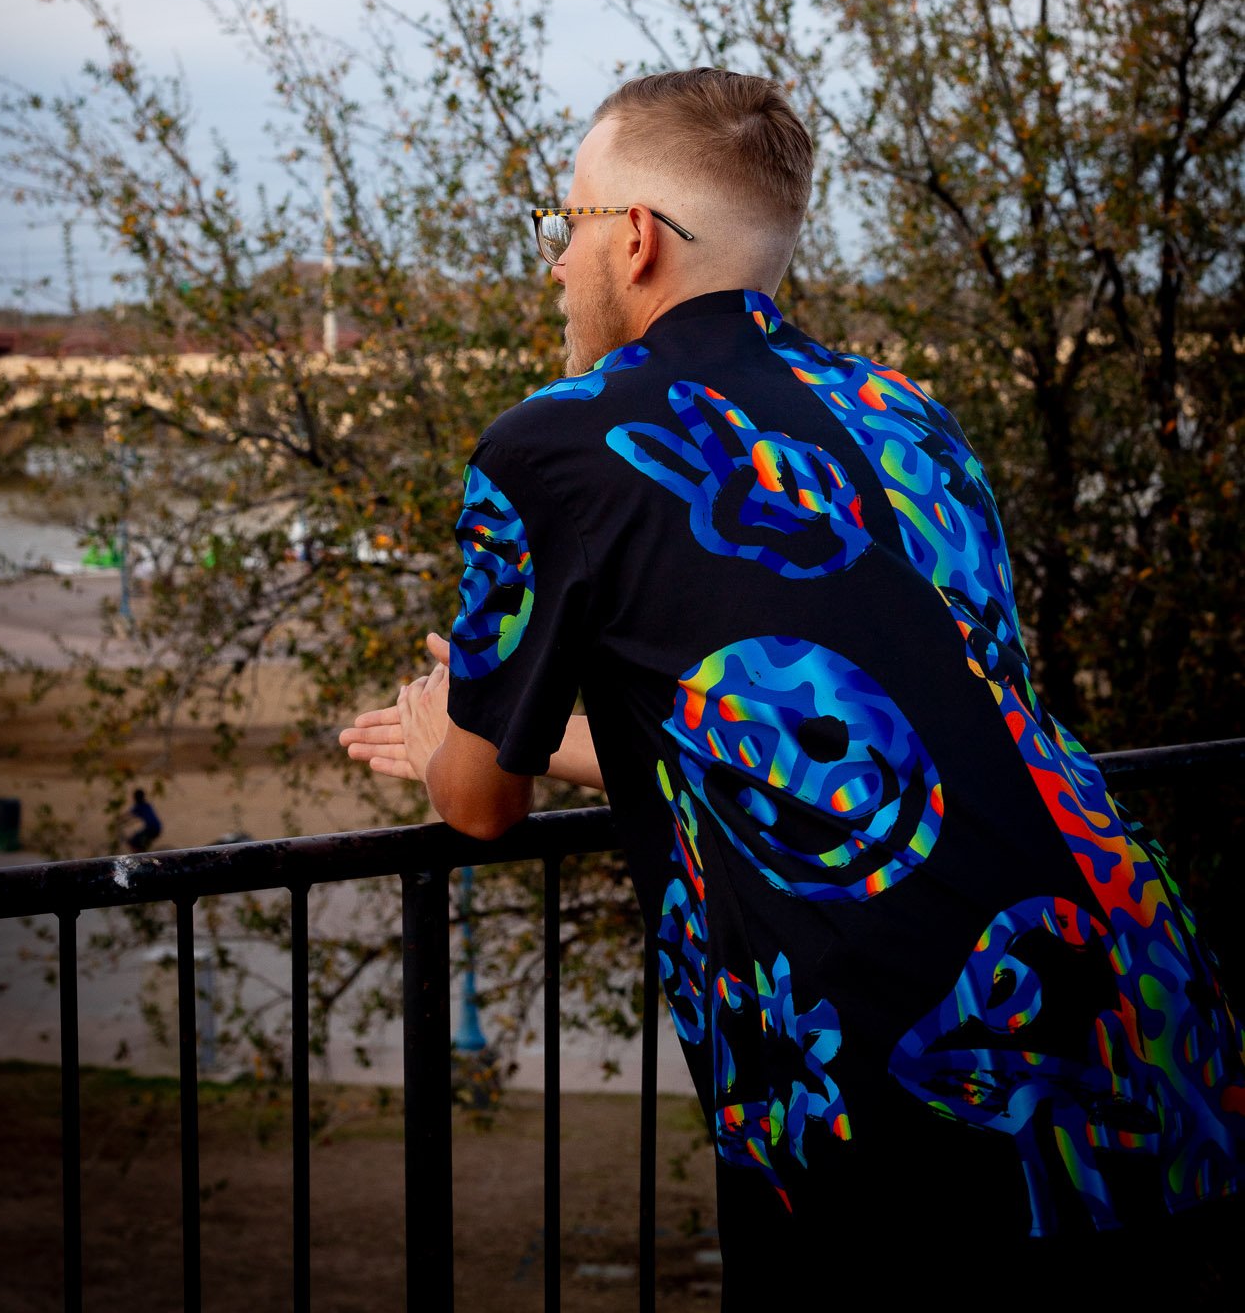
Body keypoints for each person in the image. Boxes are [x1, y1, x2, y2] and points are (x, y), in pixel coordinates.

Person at [340, 68, 1245, 1301]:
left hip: (905, 1085)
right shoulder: (907, 415)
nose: (555, 263)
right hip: (1152, 1025)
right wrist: (543, 733)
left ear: (636, 238)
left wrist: (452, 724)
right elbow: (883, 722)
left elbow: (478, 803)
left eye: (566, 224)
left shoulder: (553, 441)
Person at [125, 787, 162, 853]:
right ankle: (143, 852)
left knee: (133, 841)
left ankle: (140, 855)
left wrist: (119, 819)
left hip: (151, 828)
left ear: (135, 797)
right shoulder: (147, 805)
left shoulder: (138, 806)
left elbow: (128, 814)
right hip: (157, 828)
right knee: (140, 842)